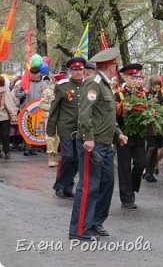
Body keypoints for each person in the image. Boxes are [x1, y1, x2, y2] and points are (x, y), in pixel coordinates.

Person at [69, 47, 128, 241]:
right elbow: (85, 113)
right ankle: (79, 229)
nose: (116, 68)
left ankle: (95, 222)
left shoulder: (105, 84)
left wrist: (118, 133)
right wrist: (87, 138)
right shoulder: (93, 84)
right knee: (89, 186)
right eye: (115, 65)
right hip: (92, 144)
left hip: (104, 143)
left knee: (107, 183)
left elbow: (106, 115)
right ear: (110, 66)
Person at [47, 59, 85, 198]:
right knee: (68, 156)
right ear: (70, 71)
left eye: (80, 69)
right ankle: (60, 185)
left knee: (76, 159)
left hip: (81, 129)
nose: (79, 72)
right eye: (75, 70)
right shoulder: (62, 86)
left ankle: (68, 187)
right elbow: (54, 108)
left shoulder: (87, 86)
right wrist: (51, 129)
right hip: (66, 128)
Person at [115, 63, 147, 209]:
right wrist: (124, 112)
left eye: (137, 77)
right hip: (124, 134)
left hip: (139, 135)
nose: (135, 80)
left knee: (141, 163)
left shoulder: (143, 95)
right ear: (125, 77)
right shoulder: (119, 94)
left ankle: (132, 186)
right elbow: (113, 117)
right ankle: (127, 198)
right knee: (124, 166)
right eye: (132, 77)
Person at [15, 66, 49, 156]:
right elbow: (16, 94)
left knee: (36, 130)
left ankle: (34, 148)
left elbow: (49, 97)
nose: (33, 75)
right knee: (27, 129)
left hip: (39, 111)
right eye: (32, 73)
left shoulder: (44, 84)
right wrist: (23, 93)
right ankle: (27, 148)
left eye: (35, 73)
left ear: (39, 74)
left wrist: (44, 93)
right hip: (26, 111)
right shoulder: (25, 83)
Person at [143, 75, 163, 182]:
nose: (157, 87)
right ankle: (146, 170)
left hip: (159, 125)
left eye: (159, 84)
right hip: (150, 125)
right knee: (151, 147)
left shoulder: (162, 94)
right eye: (155, 85)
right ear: (151, 84)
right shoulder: (146, 94)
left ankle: (151, 172)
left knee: (156, 148)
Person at [41, 71, 67, 167]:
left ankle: (61, 157)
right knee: (51, 137)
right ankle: (51, 157)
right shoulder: (48, 91)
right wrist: (54, 107)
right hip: (51, 116)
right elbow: (42, 104)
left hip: (63, 117)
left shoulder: (68, 91)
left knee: (59, 138)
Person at [0, 76, 18, 160]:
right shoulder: (7, 91)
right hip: (4, 117)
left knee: (4, 135)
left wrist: (13, 114)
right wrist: (13, 114)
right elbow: (10, 104)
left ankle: (6, 151)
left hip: (4, 117)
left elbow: (9, 104)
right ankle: (6, 152)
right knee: (5, 135)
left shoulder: (6, 92)